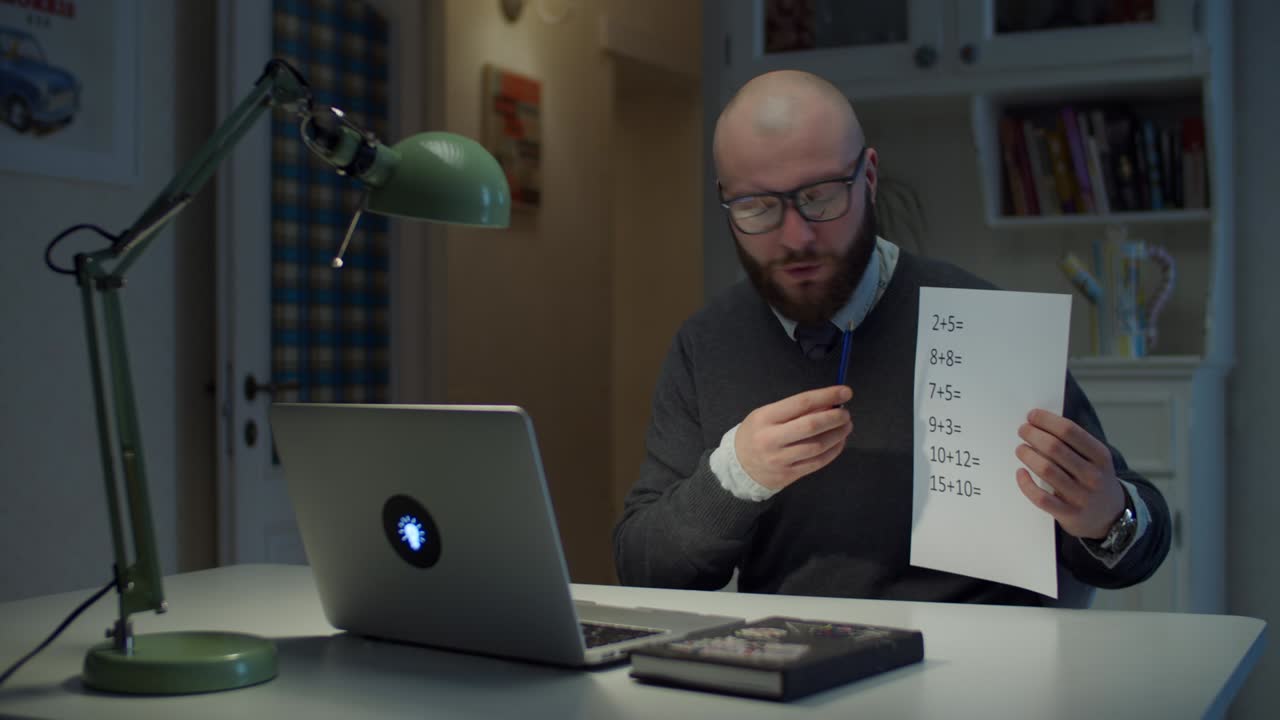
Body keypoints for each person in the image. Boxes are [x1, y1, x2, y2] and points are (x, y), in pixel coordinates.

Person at [612, 70, 1170, 605]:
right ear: (726, 201)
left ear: (870, 178)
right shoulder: (706, 345)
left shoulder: (983, 321)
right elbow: (645, 570)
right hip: (792, 670)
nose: (796, 236)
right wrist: (736, 473)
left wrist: (1106, 517)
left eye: (821, 196)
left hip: (976, 670)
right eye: (757, 207)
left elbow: (1140, 542)